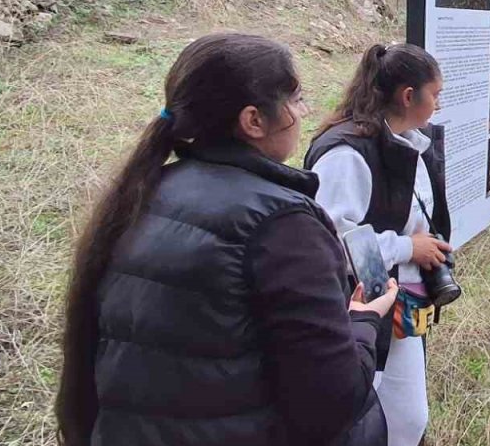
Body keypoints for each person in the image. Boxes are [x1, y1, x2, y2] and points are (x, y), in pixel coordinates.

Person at [55, 34, 394, 446]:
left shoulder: (143, 192)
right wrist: (363, 321)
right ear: (253, 120)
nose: (302, 113)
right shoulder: (283, 224)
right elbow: (331, 404)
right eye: (295, 100)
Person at [304, 43, 452, 446]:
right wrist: (408, 249)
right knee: (362, 419)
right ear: (408, 96)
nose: (438, 104)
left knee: (407, 418)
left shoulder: (407, 142)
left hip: (396, 306)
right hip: (356, 313)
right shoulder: (346, 155)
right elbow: (332, 238)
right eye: (435, 95)